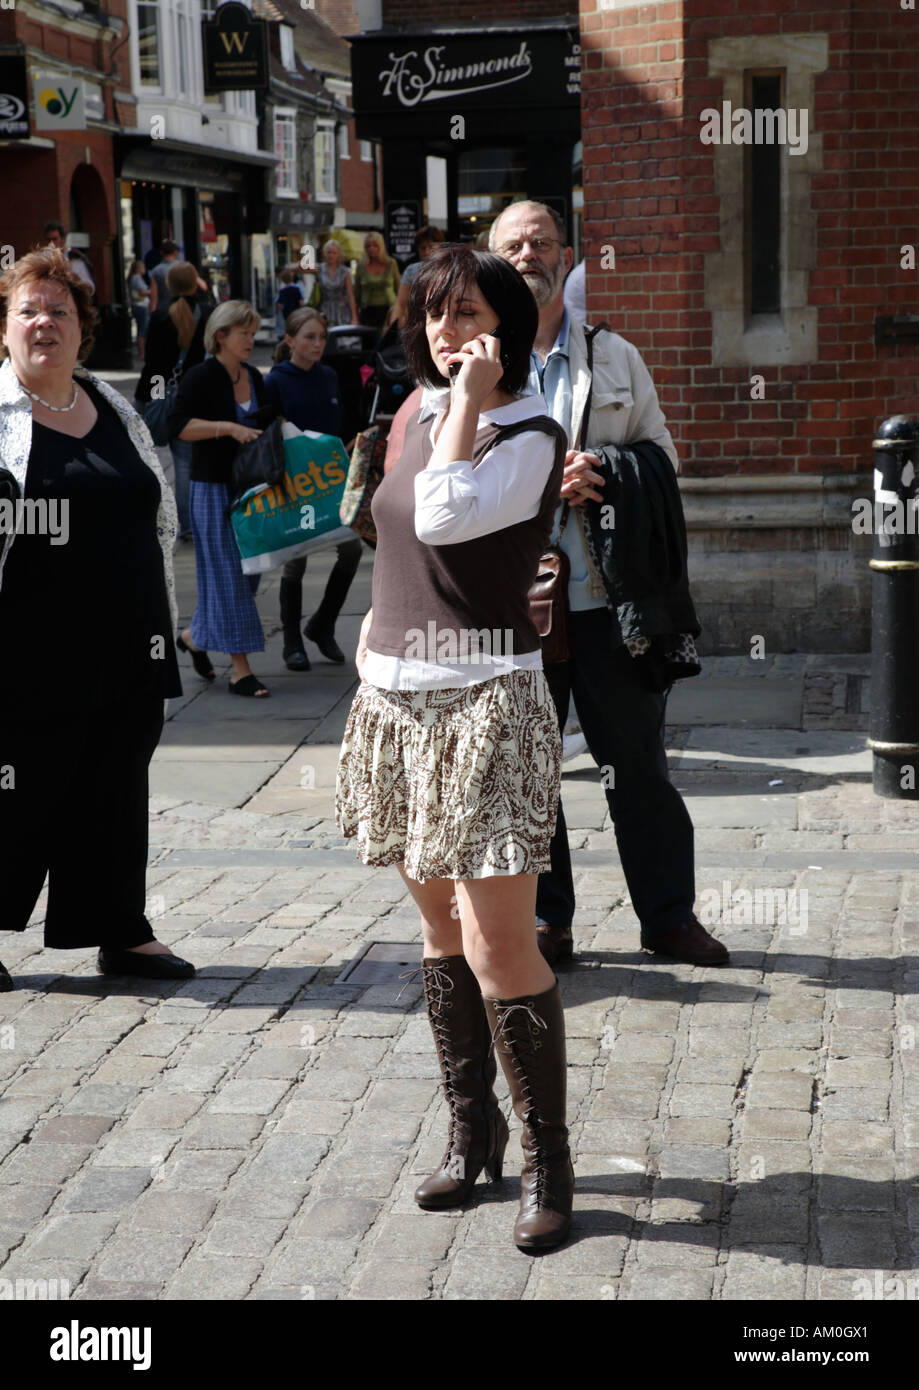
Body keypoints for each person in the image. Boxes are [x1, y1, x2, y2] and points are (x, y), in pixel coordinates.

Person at [336, 245, 575, 1252]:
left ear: (509, 327)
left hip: (486, 703)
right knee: (437, 932)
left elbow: (441, 512)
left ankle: (545, 1162)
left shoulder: (525, 427)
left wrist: (469, 400)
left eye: (469, 313)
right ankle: (468, 1132)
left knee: (499, 943)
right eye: (434, 314)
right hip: (396, 701)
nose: (446, 331)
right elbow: (389, 537)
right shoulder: (411, 415)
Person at [489, 200, 727, 968]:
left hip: (601, 603)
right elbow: (441, 478)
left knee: (638, 769)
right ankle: (545, 922)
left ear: (566, 253)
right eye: (513, 244)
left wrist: (607, 471)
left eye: (541, 241)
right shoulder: (472, 363)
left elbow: (661, 457)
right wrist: (531, 484)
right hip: (509, 606)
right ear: (493, 258)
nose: (529, 253)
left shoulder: (614, 357)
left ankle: (666, 918)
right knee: (527, 770)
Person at [0, 246, 195, 988]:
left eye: (60, 311)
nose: (45, 323)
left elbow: (155, 513)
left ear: (83, 329)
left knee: (114, 790)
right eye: (28, 311)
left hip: (128, 644)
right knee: (18, 790)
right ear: (5, 328)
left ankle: (118, 928)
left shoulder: (112, 406)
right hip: (24, 653)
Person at [167, 300, 272, 698]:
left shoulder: (252, 376)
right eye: (244, 332)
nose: (251, 339)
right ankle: (240, 671)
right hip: (211, 489)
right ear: (221, 335)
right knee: (228, 575)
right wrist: (226, 428)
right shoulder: (201, 376)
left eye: (253, 331)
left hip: (250, 489)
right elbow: (178, 428)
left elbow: (263, 422)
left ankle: (194, 637)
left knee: (251, 572)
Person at [264, 307, 361, 670]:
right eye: (309, 337)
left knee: (351, 549)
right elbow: (269, 432)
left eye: (322, 337)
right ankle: (292, 643)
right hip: (296, 483)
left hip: (331, 481)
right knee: (295, 561)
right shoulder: (275, 380)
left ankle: (323, 624)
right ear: (289, 341)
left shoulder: (329, 375)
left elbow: (338, 425)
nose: (318, 344)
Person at [135, 261, 212, 545]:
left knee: (180, 464)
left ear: (169, 285)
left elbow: (153, 366)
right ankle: (195, 523)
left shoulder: (159, 317)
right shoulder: (207, 314)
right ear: (195, 283)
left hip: (169, 397)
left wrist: (144, 400)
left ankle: (185, 525)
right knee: (190, 463)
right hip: (200, 398)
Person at [388, 225, 445, 329]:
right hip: (417, 325)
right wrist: (392, 328)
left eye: (431, 247)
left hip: (441, 323)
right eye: (423, 248)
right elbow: (400, 303)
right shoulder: (411, 271)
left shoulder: (448, 270)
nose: (427, 252)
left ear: (440, 247)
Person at [354, 232, 399, 333]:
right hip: (367, 311)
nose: (371, 249)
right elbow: (357, 293)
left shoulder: (391, 264)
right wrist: (355, 317)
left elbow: (398, 289)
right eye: (368, 246)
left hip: (388, 311)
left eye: (375, 245)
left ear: (381, 246)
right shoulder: (361, 266)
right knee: (368, 343)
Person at [314, 238, 357, 328]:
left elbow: (350, 295)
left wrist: (354, 317)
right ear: (324, 253)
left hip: (343, 311)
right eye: (329, 252)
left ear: (338, 255)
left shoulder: (345, 271)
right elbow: (300, 267)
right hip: (325, 310)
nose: (331, 255)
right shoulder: (319, 269)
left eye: (334, 253)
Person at [43, 221, 94, 291]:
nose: (51, 243)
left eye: (54, 239)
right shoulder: (43, 258)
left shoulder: (74, 257)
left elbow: (90, 286)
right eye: (48, 240)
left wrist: (73, 277)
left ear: (63, 239)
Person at [147, 239, 180, 315]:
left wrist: (152, 314)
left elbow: (153, 298)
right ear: (175, 252)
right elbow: (203, 286)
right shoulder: (183, 267)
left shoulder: (156, 271)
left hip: (163, 311)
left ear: (161, 252)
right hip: (180, 310)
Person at [127, 258, 151, 357]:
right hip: (141, 306)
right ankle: (142, 353)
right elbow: (142, 291)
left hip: (138, 306)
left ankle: (142, 352)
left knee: (141, 329)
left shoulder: (133, 277)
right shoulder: (137, 278)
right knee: (143, 330)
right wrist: (151, 291)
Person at [275, 267, 304, 340]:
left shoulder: (282, 290)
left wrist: (282, 310)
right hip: (296, 310)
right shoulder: (297, 289)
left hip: (287, 311)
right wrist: (301, 308)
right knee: (296, 323)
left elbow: (278, 303)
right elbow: (301, 301)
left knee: (288, 324)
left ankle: (288, 336)